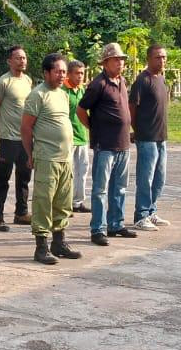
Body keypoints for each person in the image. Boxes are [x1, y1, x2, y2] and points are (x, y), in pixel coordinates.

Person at [22, 53, 83, 264]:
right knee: (43, 202)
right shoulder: (37, 95)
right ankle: (41, 247)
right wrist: (30, 155)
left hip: (65, 159)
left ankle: (59, 242)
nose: (61, 75)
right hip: (46, 158)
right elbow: (26, 128)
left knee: (63, 202)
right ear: (46, 72)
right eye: (57, 71)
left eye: (64, 71)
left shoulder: (63, 94)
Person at [78, 43, 138, 246]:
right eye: (116, 60)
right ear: (106, 63)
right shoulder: (98, 84)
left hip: (122, 145)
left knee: (119, 188)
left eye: (122, 60)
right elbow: (81, 110)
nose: (120, 63)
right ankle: (98, 229)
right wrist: (93, 129)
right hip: (105, 146)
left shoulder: (121, 81)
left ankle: (116, 224)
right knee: (100, 190)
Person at [0, 46, 32, 231]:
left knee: (24, 177)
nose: (22, 61)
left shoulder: (28, 80)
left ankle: (21, 213)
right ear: (9, 61)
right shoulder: (3, 82)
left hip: (25, 139)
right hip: (8, 139)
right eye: (18, 58)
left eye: (24, 57)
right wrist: (0, 130)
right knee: (2, 179)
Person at [130, 45, 171, 231]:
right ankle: (141, 215)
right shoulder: (142, 80)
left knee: (159, 177)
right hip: (146, 137)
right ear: (148, 59)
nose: (162, 61)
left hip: (161, 137)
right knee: (145, 178)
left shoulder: (161, 79)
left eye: (164, 57)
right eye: (158, 57)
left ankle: (152, 211)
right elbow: (132, 108)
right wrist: (136, 130)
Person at [62, 58, 91, 214]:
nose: (80, 76)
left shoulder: (82, 90)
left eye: (82, 73)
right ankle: (66, 203)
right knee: (69, 172)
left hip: (82, 136)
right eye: (77, 73)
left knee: (83, 171)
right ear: (69, 74)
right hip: (69, 138)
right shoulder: (63, 91)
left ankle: (78, 202)